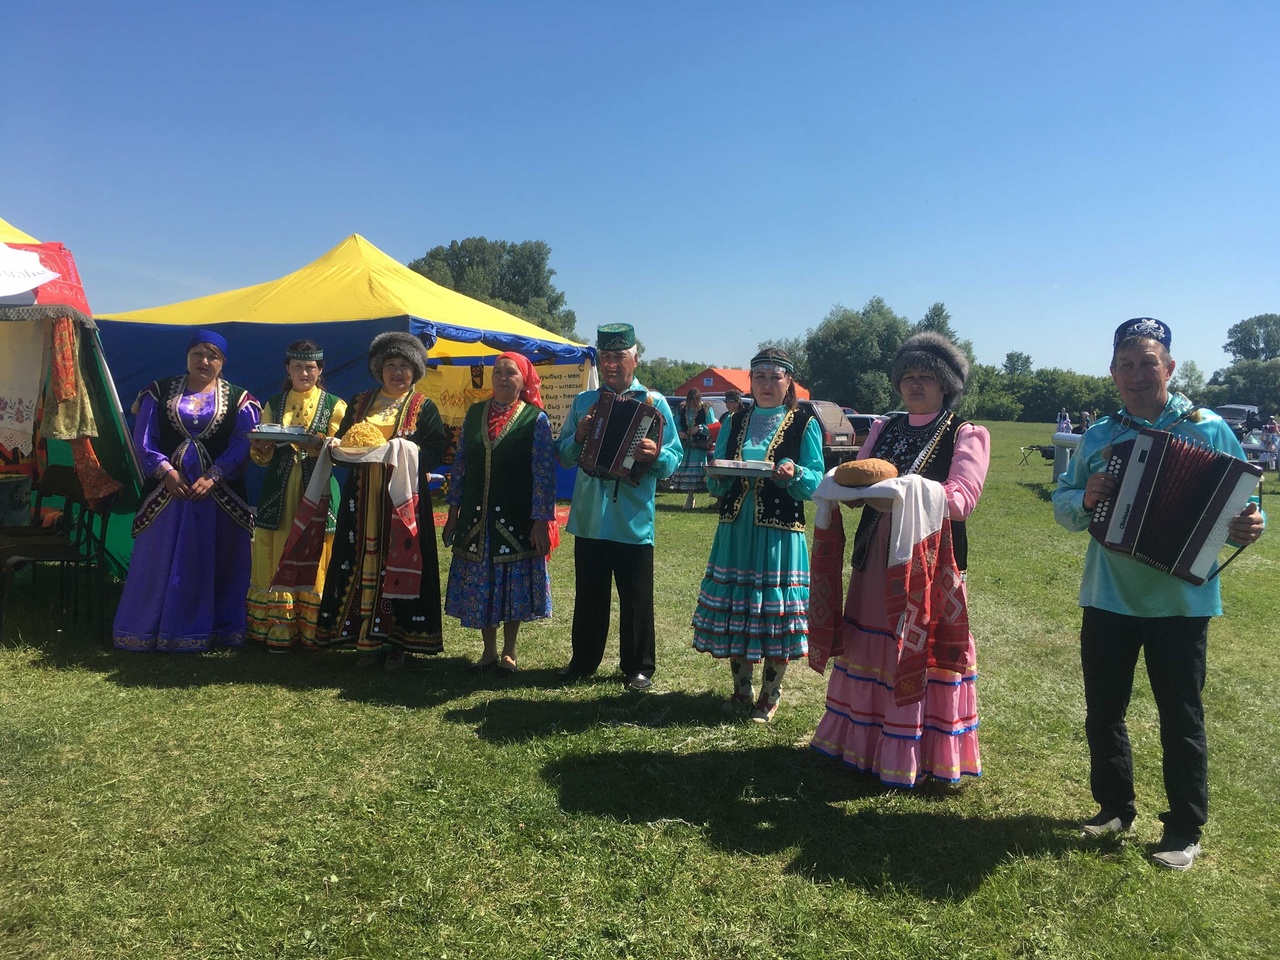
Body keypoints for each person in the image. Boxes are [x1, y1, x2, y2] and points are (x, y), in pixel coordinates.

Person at [1053, 317, 1264, 871]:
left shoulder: (1209, 428)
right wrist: (1085, 496)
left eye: (1148, 363)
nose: (1137, 375)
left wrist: (1250, 524)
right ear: (1112, 373)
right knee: (1104, 710)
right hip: (1108, 594)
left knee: (1181, 715)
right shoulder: (1100, 434)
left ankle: (1184, 828)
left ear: (1169, 368)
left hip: (1181, 603)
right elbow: (1065, 505)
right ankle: (1114, 808)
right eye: (1126, 365)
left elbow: (1243, 505)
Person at [811, 332, 990, 785]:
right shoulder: (883, 429)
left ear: (946, 383)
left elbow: (961, 500)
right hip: (875, 557)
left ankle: (920, 754)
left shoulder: (965, 433)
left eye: (926, 376)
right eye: (907, 376)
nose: (915, 384)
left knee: (916, 646)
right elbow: (857, 486)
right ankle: (860, 744)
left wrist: (905, 490)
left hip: (929, 562)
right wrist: (839, 487)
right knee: (872, 643)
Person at [691, 348, 825, 721]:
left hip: (779, 531)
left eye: (775, 377)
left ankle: (769, 695)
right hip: (736, 527)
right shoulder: (734, 421)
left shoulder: (804, 423)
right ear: (751, 382)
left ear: (788, 382)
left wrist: (795, 472)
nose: (767, 385)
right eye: (760, 378)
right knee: (739, 607)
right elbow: (717, 475)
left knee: (773, 611)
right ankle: (741, 690)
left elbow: (816, 479)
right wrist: (716, 473)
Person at [113, 330, 261, 652]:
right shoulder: (158, 392)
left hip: (218, 496)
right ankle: (147, 629)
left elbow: (243, 442)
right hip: (168, 494)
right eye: (198, 354)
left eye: (212, 356)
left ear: (223, 362)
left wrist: (214, 475)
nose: (204, 361)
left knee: (218, 561)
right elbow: (144, 439)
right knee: (157, 561)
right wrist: (166, 472)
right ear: (187, 356)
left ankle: (219, 629)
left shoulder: (240, 399)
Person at [555, 323, 682, 691]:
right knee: (588, 595)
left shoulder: (654, 403)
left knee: (637, 598)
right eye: (605, 356)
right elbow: (563, 455)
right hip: (590, 518)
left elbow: (674, 458)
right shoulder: (584, 401)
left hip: (633, 519)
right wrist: (579, 436)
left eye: (618, 356)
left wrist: (655, 454)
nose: (610, 364)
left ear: (635, 358)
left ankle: (638, 667)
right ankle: (583, 661)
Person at [314, 332, 447, 671]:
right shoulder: (360, 403)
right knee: (360, 560)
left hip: (402, 499)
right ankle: (366, 640)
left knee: (398, 563)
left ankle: (398, 643)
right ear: (379, 369)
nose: (397, 372)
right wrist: (335, 447)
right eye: (391, 365)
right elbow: (345, 443)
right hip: (362, 498)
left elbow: (437, 451)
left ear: (415, 371)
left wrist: (402, 451)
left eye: (404, 366)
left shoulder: (424, 407)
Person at [443, 352, 556, 675]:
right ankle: (488, 650)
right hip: (477, 519)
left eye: (511, 373)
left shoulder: (536, 419)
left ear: (524, 380)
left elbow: (543, 475)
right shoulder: (475, 413)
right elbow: (461, 466)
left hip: (516, 519)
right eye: (498, 373)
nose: (503, 378)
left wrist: (541, 522)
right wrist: (453, 513)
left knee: (511, 586)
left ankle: (509, 651)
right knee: (484, 584)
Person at [246, 340, 347, 652]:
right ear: (287, 369)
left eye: (310, 367)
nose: (304, 373)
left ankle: (315, 627)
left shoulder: (335, 405)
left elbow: (343, 451)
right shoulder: (274, 403)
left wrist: (320, 446)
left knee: (316, 551)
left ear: (320, 370)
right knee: (276, 550)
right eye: (298, 367)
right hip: (279, 490)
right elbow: (262, 455)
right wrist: (261, 449)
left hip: (317, 489)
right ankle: (279, 627)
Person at [670, 387, 713, 509]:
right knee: (685, 471)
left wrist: (699, 428)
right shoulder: (683, 408)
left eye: (695, 401)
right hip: (686, 446)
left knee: (695, 471)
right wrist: (679, 432)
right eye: (691, 401)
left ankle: (691, 497)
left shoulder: (706, 409)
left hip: (698, 446)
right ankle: (689, 497)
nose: (693, 404)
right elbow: (676, 423)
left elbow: (712, 425)